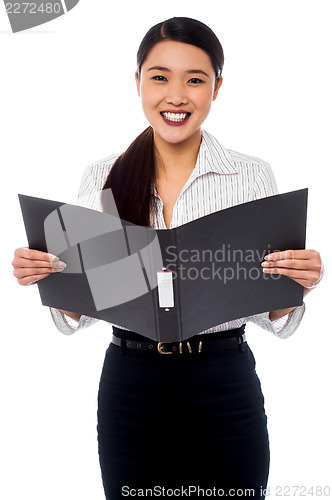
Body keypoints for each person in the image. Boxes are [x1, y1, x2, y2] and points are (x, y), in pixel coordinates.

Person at [12, 17, 323, 500]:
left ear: (217, 87)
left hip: (225, 384)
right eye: (159, 77)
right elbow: (80, 310)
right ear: (136, 82)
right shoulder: (102, 178)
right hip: (131, 389)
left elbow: (271, 314)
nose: (176, 95)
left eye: (195, 79)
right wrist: (48, 274)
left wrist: (294, 282)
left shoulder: (251, 176)